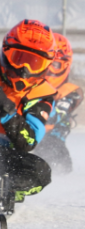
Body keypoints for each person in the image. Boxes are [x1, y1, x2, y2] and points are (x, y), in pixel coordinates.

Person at [0, 19, 56, 201]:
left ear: (46, 66)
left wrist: (4, 106)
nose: (24, 69)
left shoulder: (41, 95)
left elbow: (28, 141)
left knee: (41, 172)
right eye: (19, 58)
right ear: (5, 52)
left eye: (35, 62)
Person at [34, 33, 83, 173]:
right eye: (45, 63)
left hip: (50, 144)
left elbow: (62, 123)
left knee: (59, 164)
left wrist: (53, 141)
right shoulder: (26, 85)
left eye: (54, 65)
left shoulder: (67, 94)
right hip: (19, 139)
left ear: (65, 66)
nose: (48, 69)